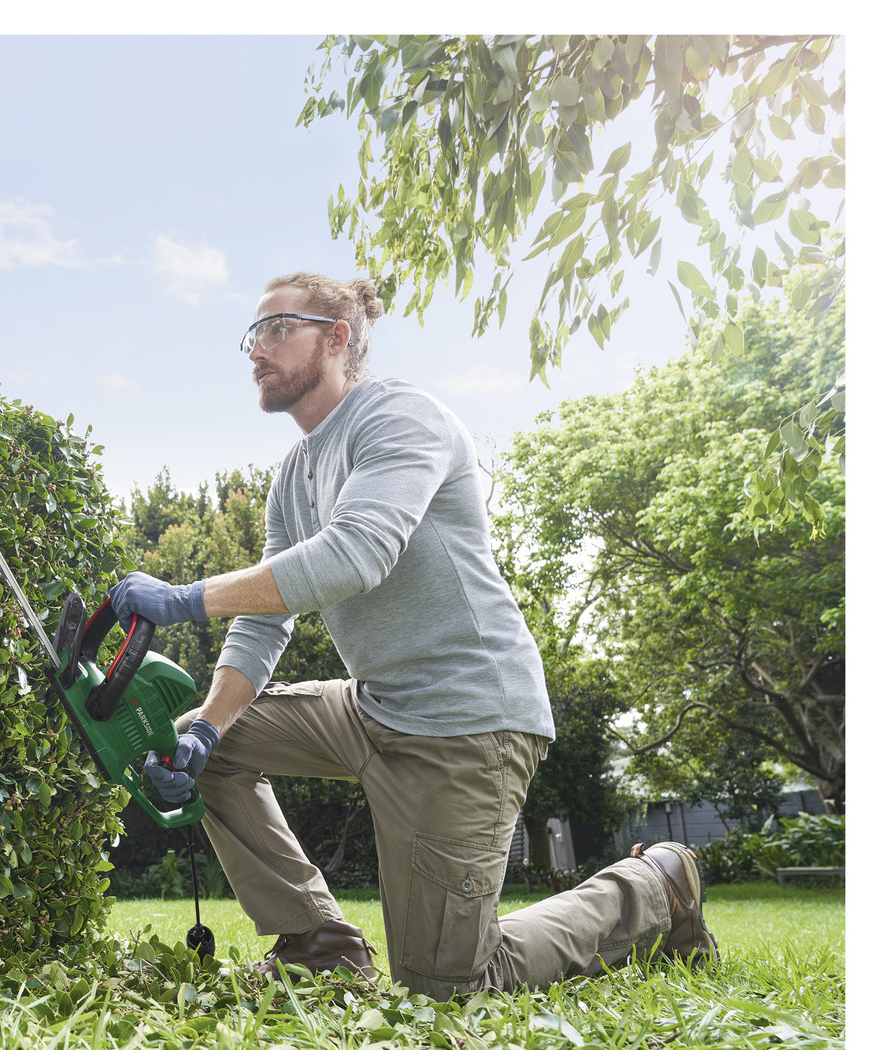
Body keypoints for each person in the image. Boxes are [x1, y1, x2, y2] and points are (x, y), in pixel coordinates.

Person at [108, 271, 717, 1000]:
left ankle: (656, 884)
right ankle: (319, 941)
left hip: (468, 720)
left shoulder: (399, 418)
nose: (256, 350)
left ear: (338, 338)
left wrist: (183, 599)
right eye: (252, 335)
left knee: (450, 986)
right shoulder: (292, 479)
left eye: (277, 329)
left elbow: (356, 553)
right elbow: (264, 621)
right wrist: (209, 727)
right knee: (206, 739)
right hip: (374, 705)